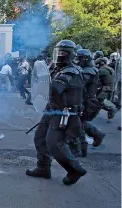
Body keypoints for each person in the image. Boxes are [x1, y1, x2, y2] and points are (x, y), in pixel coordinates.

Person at [26, 40, 87, 185]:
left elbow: (53, 89)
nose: (60, 56)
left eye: (63, 53)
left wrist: (39, 81)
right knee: (40, 138)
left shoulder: (71, 72)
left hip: (65, 113)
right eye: (58, 52)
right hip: (52, 110)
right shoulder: (57, 69)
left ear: (71, 55)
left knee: (54, 143)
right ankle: (43, 168)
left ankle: (75, 169)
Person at [71, 49, 105, 157]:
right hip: (83, 99)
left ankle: (81, 149)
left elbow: (78, 84)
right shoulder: (87, 69)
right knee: (78, 122)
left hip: (87, 102)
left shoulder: (89, 71)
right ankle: (97, 134)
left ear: (85, 59)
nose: (77, 61)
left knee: (77, 123)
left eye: (79, 58)